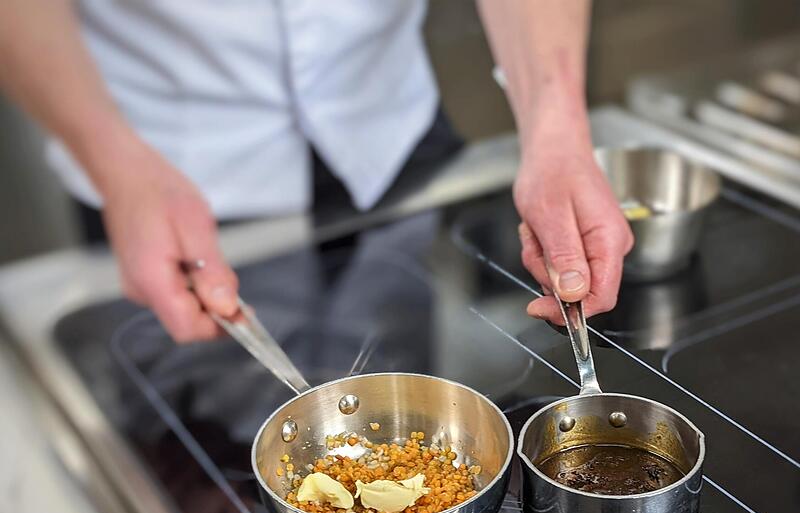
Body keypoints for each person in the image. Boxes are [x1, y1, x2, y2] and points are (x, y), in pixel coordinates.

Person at [0, 0, 632, 342]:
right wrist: (116, 163)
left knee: (398, 405)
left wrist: (557, 133)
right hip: (154, 163)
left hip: (388, 123)